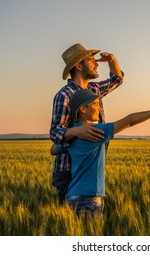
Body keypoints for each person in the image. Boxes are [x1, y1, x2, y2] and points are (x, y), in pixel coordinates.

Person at [53, 89, 150, 217]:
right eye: (96, 104)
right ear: (83, 109)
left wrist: (70, 134)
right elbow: (130, 120)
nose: (99, 109)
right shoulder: (95, 131)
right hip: (89, 199)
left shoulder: (73, 134)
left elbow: (53, 150)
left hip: (72, 196)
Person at [50, 43, 124, 205]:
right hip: (69, 170)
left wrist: (112, 60)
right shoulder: (65, 95)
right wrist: (76, 132)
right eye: (91, 60)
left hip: (88, 169)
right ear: (78, 65)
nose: (96, 63)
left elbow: (117, 79)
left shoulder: (93, 90)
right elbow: (55, 133)